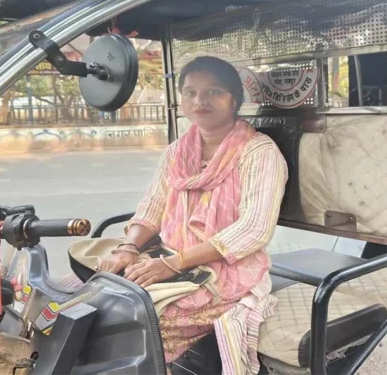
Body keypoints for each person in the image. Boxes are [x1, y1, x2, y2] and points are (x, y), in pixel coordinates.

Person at [96, 56, 288, 374]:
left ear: (234, 99)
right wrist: (129, 247)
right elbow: (153, 207)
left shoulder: (259, 152)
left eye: (214, 91)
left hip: (227, 274)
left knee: (136, 323)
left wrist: (175, 263)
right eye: (190, 92)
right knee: (92, 294)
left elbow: (253, 229)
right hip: (169, 260)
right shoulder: (177, 151)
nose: (200, 100)